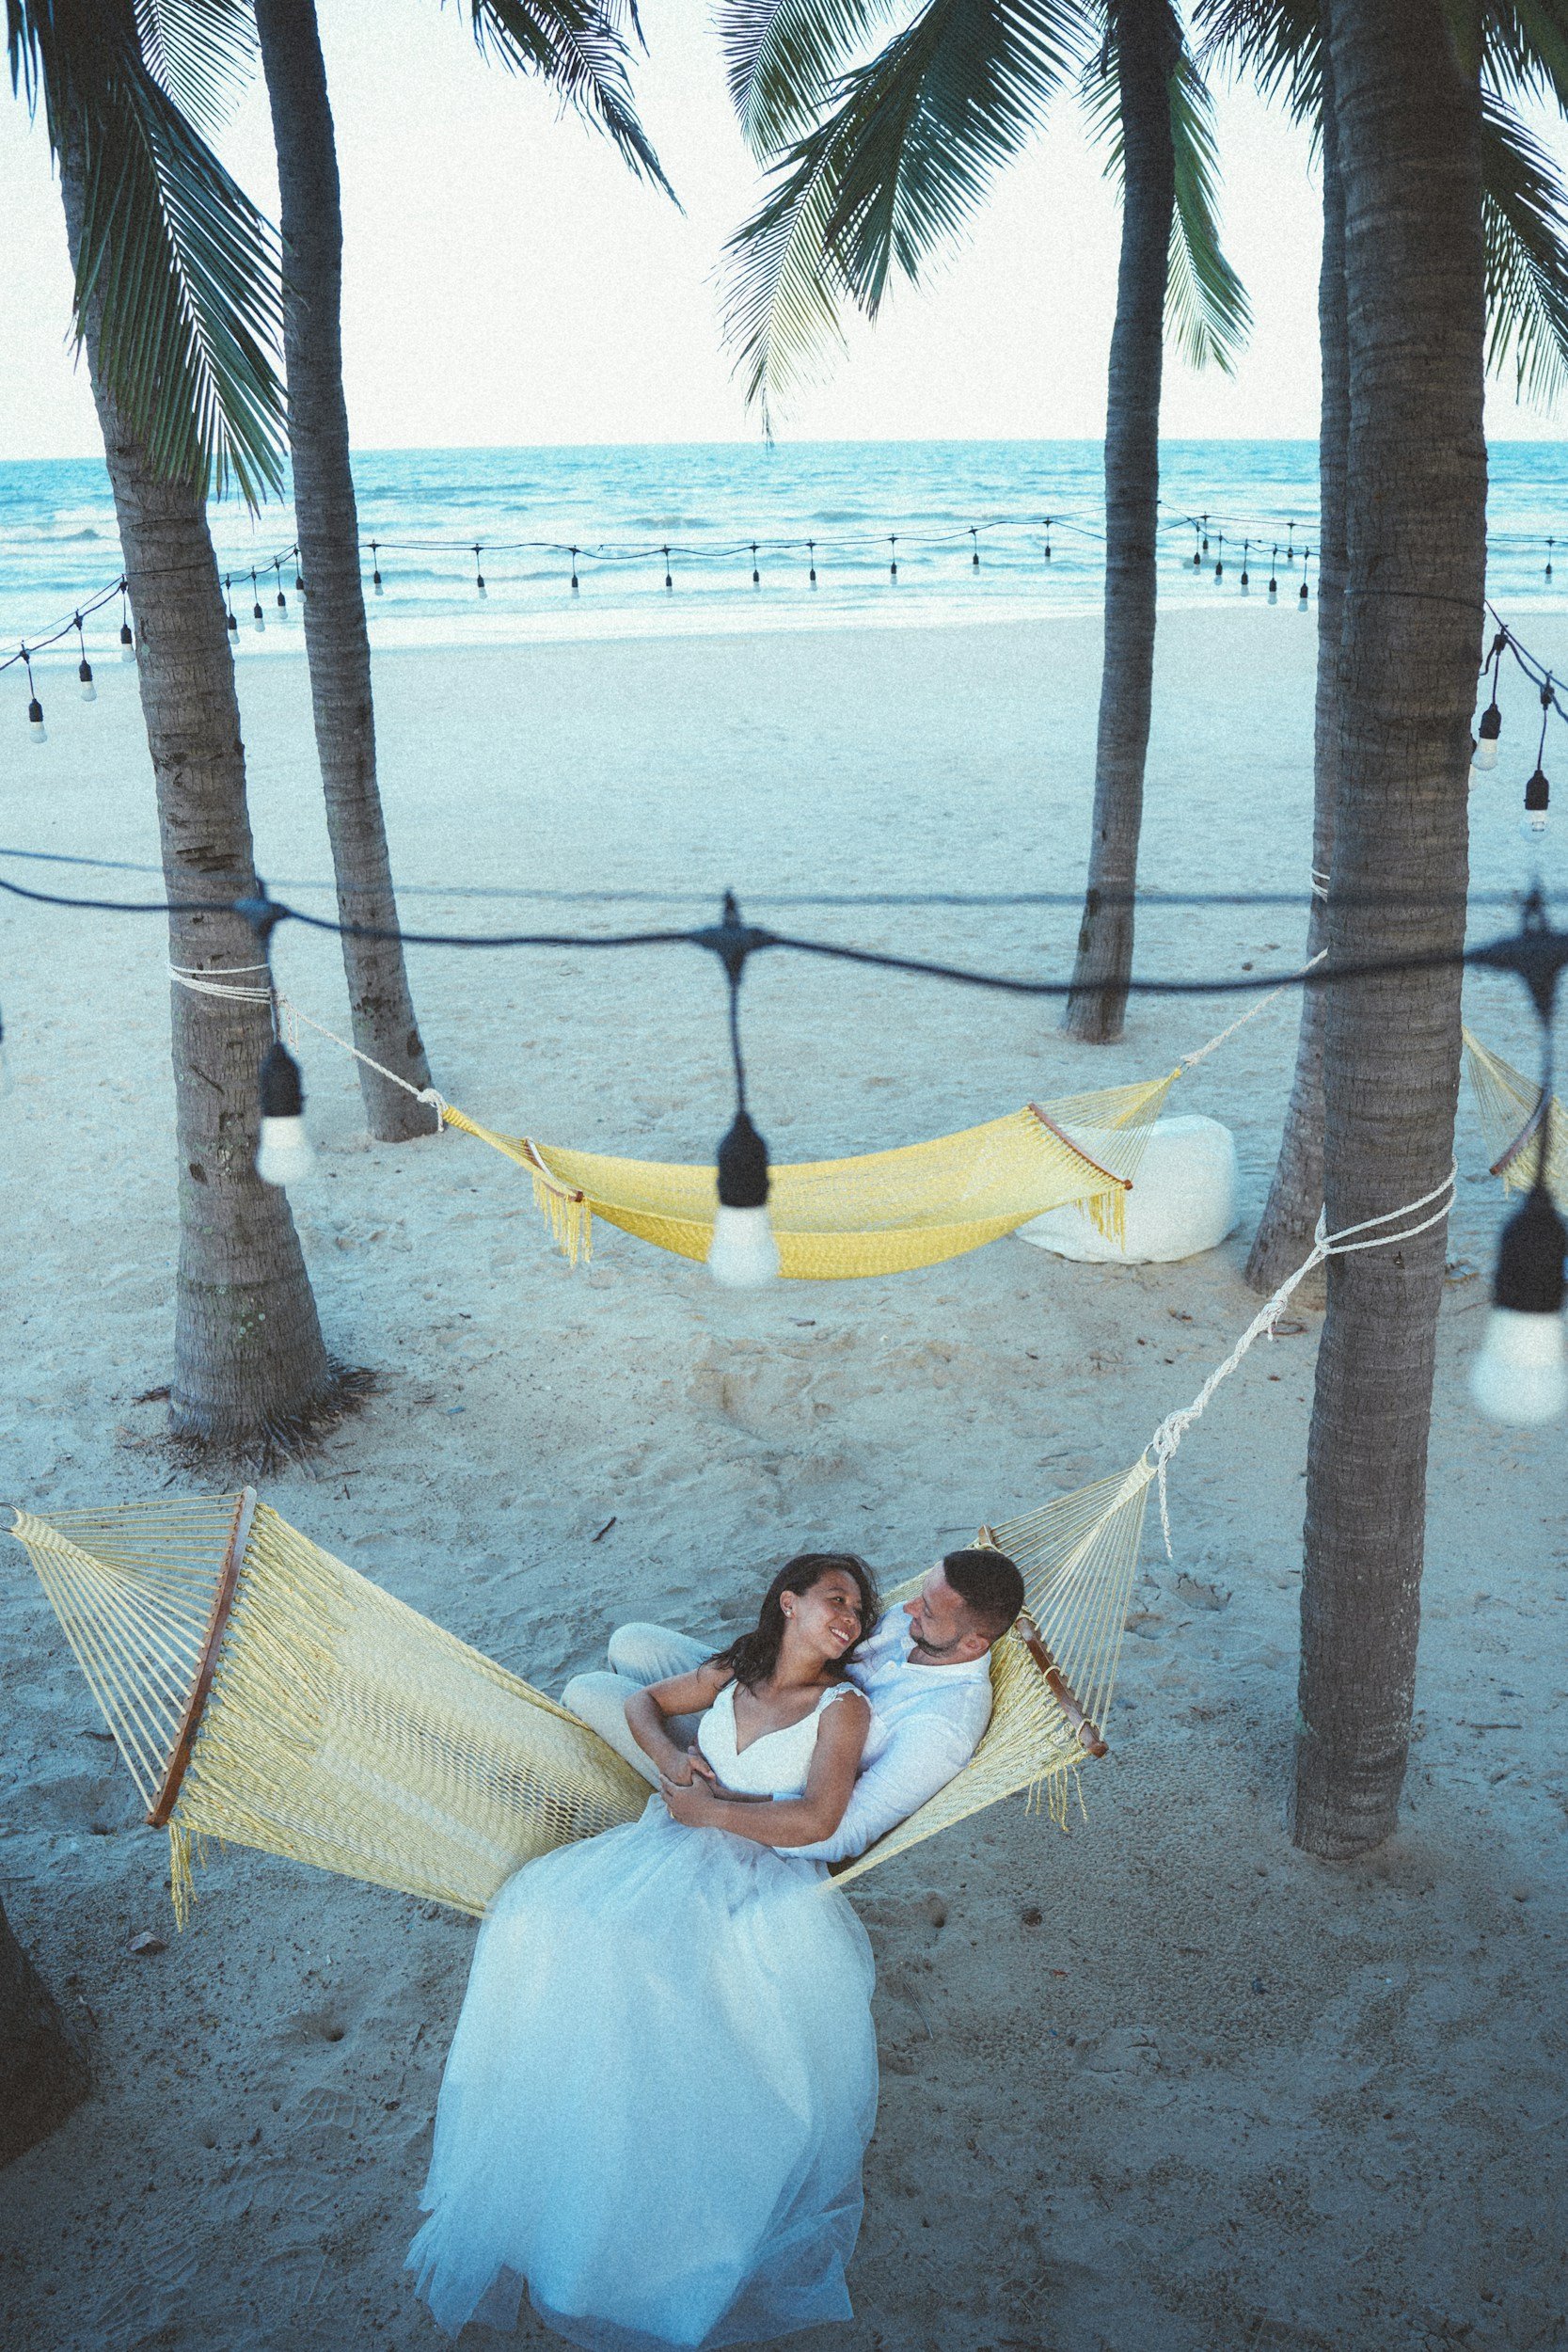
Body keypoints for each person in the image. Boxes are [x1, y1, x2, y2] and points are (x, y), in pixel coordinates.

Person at [407, 1551, 883, 2350]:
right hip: (670, 1838)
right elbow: (642, 1703)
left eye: (862, 1612)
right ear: (788, 1602)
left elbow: (816, 1822)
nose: (850, 1617)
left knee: (647, 1967)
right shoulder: (740, 1670)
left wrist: (714, 1819)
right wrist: (670, 1763)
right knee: (544, 1919)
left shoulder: (842, 1707)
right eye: (836, 1598)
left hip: (755, 1865)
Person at [563, 1545, 1027, 1867]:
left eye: (926, 1610)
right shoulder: (914, 1627)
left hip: (762, 1778)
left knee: (590, 1691)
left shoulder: (941, 1729)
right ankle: (673, 1742)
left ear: (971, 1643)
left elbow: (841, 1833)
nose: (906, 1609)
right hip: (773, 1693)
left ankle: (638, 1787)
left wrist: (718, 1802)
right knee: (632, 1643)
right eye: (920, 1595)